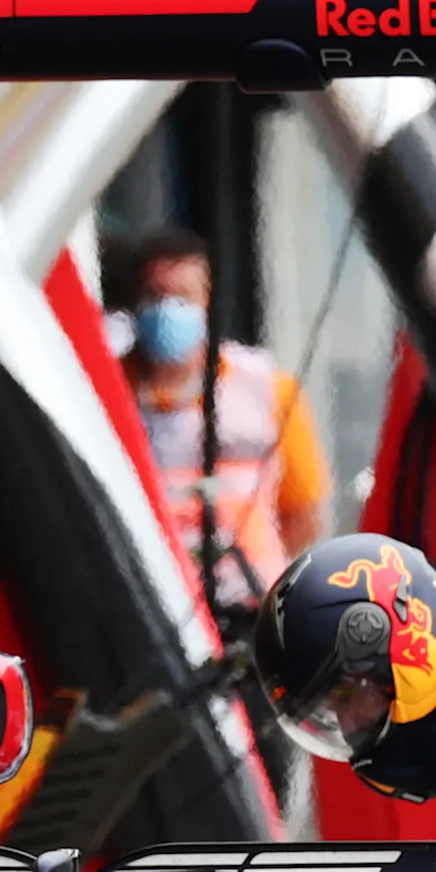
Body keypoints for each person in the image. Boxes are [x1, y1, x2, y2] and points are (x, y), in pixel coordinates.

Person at [116, 229, 331, 618]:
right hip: (149, 616)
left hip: (251, 612)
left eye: (182, 298)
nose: (167, 311)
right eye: (155, 297)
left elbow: (303, 516)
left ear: (208, 303)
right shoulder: (107, 394)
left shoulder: (268, 389)